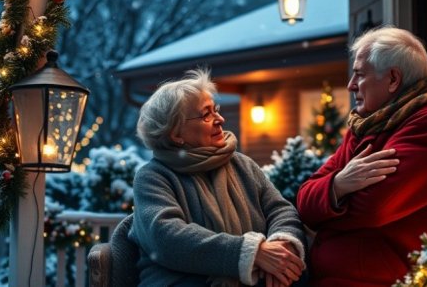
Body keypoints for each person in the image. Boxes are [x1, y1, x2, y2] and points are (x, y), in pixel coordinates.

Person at [296, 26, 427, 287]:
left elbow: (373, 208)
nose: (350, 86)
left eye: (359, 74)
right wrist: (338, 185)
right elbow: (304, 201)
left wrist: (327, 206)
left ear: (393, 79)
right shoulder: (366, 125)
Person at [131, 68, 306, 287]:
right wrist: (251, 253)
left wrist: (281, 247)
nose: (220, 119)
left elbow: (280, 210)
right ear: (176, 134)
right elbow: (165, 237)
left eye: (216, 110)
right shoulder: (153, 177)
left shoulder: (242, 164)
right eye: (206, 114)